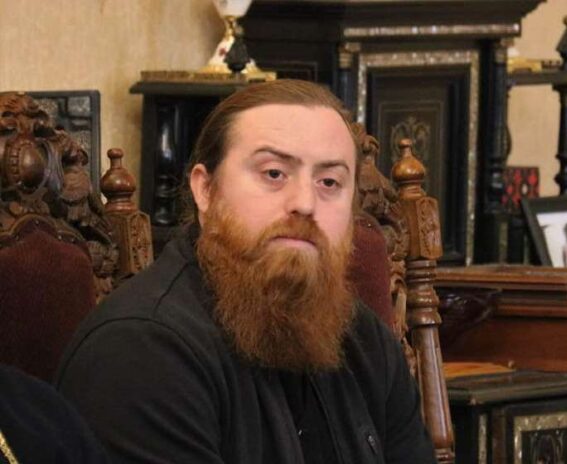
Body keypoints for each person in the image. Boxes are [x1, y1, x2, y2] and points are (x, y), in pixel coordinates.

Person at [56, 79, 436, 464]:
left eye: (329, 182)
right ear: (206, 190)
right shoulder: (139, 351)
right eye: (273, 173)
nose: (305, 202)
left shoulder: (364, 339)